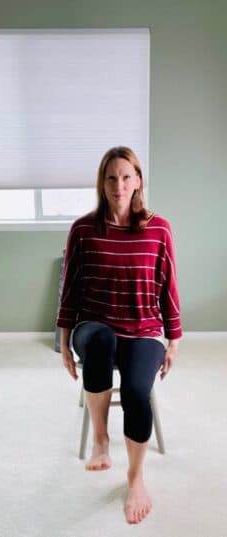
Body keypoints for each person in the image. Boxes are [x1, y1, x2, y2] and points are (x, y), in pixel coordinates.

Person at [56, 146, 182, 525]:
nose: (119, 185)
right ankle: (101, 439)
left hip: (144, 329)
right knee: (102, 341)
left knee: (137, 392)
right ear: (102, 182)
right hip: (93, 326)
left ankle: (135, 477)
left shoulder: (159, 229)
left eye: (127, 177)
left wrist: (173, 340)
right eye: (111, 177)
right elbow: (70, 289)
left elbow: (168, 287)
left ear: (139, 181)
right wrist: (64, 342)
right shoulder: (83, 229)